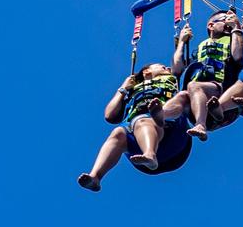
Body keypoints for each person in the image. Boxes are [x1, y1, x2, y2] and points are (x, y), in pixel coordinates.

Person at [76, 64, 188, 192]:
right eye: (162, 67)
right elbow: (109, 116)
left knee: (143, 121)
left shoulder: (174, 81)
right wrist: (123, 88)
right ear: (147, 71)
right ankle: (95, 177)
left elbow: (178, 64)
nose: (167, 68)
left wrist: (180, 44)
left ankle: (150, 154)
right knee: (118, 132)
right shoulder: (132, 90)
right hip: (139, 146)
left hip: (172, 136)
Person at [173, 10, 243, 139]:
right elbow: (177, 70)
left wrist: (236, 28)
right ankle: (161, 117)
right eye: (224, 20)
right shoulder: (200, 52)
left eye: (230, 19)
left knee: (194, 86)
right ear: (211, 25)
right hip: (200, 106)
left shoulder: (234, 40)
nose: (228, 22)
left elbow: (238, 57)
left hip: (227, 95)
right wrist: (182, 42)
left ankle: (201, 125)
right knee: (182, 95)